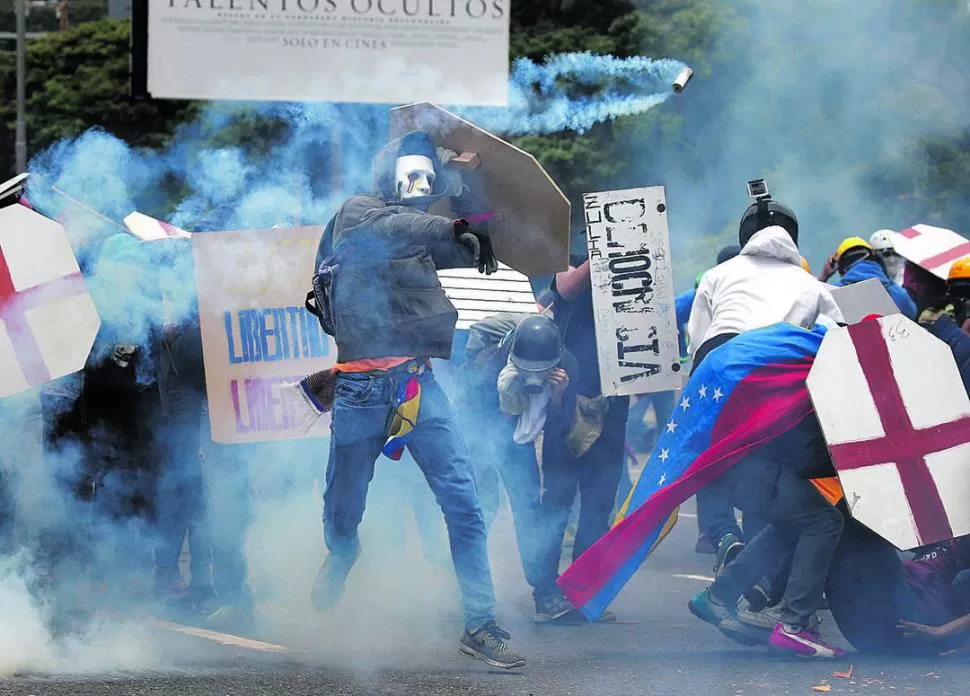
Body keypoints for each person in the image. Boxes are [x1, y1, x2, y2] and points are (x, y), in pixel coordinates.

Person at [306, 130, 525, 669]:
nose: (421, 187)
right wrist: (451, 224)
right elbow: (402, 226)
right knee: (343, 504)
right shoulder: (357, 213)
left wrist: (469, 187)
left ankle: (480, 623)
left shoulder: (429, 232)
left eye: (430, 177)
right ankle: (343, 550)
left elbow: (484, 234)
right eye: (413, 172)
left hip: (415, 383)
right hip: (359, 386)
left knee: (464, 504)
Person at [686, 185, 847, 658]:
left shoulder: (715, 276)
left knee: (789, 514)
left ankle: (717, 596)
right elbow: (854, 338)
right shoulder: (812, 285)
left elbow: (700, 346)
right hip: (771, 412)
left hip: (715, 413)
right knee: (824, 521)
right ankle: (796, 622)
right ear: (792, 239)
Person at [818, 236, 917, 318]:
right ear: (873, 258)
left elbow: (811, 310)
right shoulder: (895, 292)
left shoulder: (832, 294)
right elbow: (912, 313)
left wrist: (824, 276)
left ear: (841, 269)